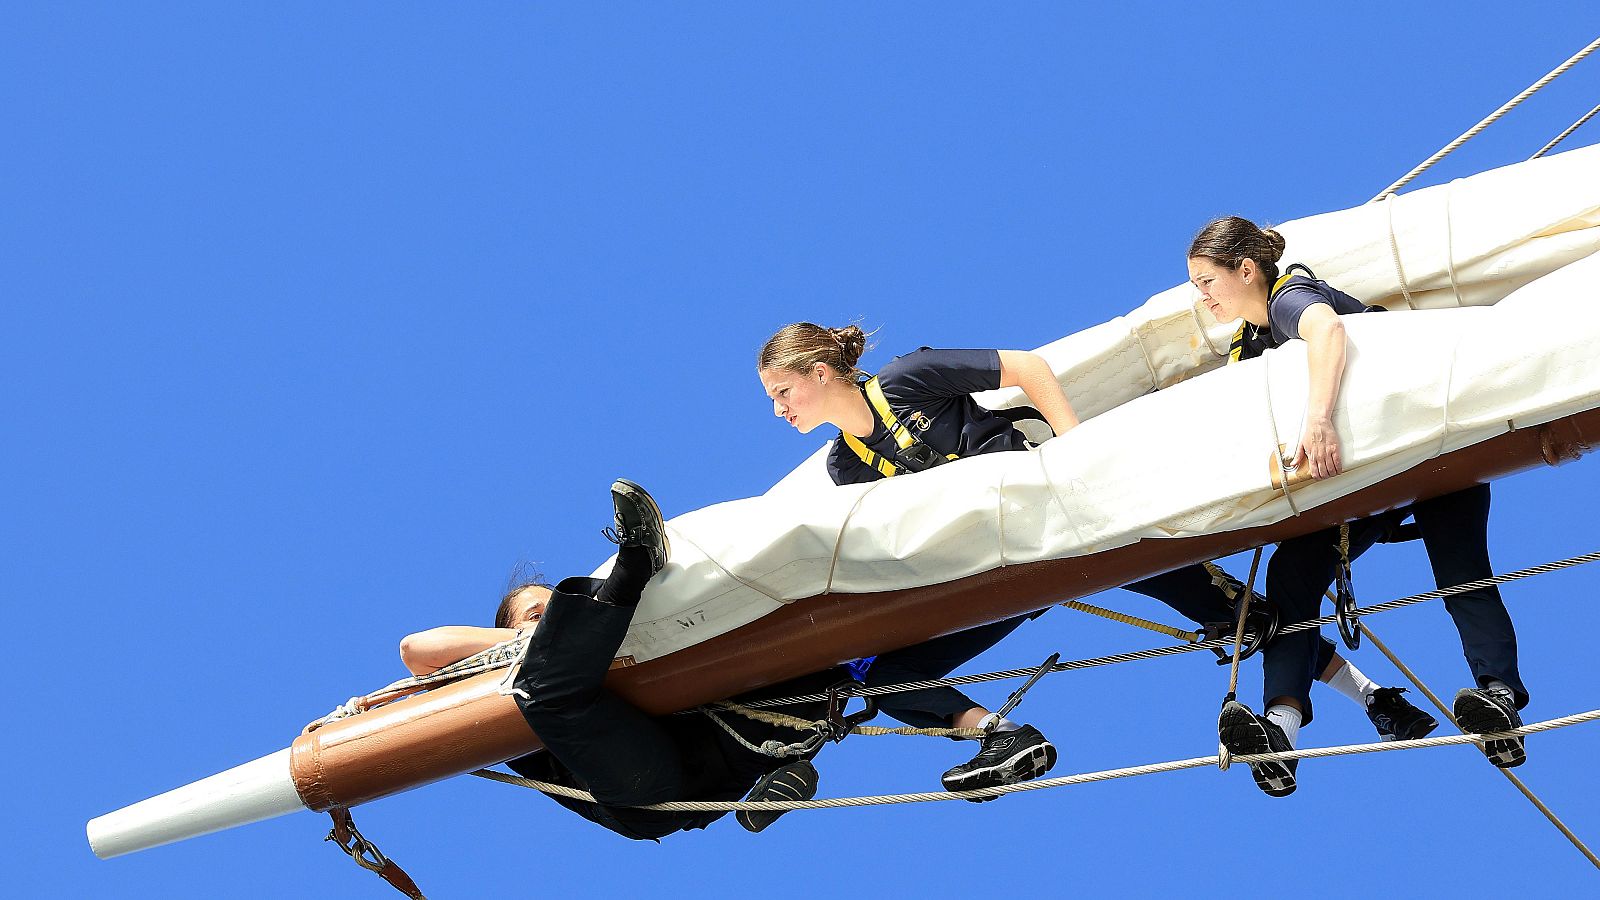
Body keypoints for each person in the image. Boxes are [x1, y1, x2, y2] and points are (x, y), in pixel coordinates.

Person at [755, 324, 1429, 797]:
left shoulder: (908, 378)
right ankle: (1001, 736)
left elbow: (1025, 368)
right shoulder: (848, 465)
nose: (777, 410)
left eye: (782, 393)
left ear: (819, 374)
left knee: (1242, 619)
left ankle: (1372, 697)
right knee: (888, 676)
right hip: (1001, 569)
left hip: (1068, 520)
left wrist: (1078, 457)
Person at [1188, 216, 1530, 797]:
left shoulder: (1289, 297)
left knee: (1460, 570)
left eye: (1206, 281)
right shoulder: (1248, 350)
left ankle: (1498, 699)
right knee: (1293, 574)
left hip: (1429, 449)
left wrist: (1317, 422)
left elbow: (1327, 333)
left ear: (1245, 270)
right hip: (1367, 484)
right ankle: (1282, 728)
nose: (1201, 297)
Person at [399, 479, 844, 838]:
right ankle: (633, 567)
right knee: (543, 691)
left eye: (557, 610)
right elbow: (416, 651)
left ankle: (787, 759)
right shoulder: (511, 676)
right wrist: (523, 637)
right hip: (648, 791)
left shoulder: (615, 641)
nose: (554, 618)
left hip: (722, 748)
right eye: (540, 612)